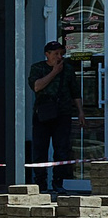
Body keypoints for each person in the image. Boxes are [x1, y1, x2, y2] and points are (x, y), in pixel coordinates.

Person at [32, 39, 79, 192]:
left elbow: (75, 92)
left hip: (63, 113)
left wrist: (81, 112)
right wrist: (54, 72)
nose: (58, 57)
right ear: (47, 54)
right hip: (43, 114)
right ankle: (40, 182)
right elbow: (37, 86)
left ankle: (58, 182)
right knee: (40, 149)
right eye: (55, 54)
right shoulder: (38, 68)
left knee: (62, 149)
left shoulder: (68, 70)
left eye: (61, 54)